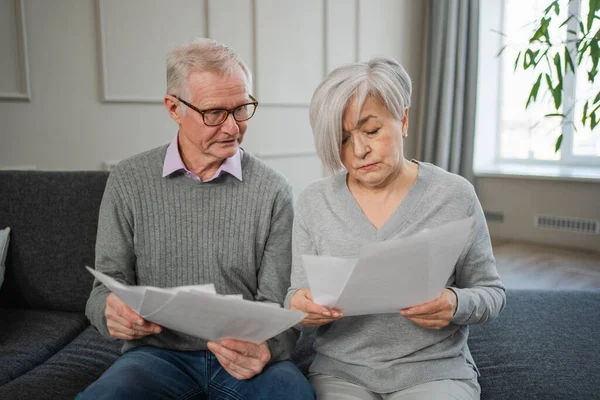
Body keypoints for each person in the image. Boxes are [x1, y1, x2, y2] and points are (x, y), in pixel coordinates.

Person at [79, 38, 315, 400]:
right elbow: (103, 291)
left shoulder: (274, 191)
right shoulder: (128, 180)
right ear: (174, 108)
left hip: (244, 358)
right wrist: (111, 313)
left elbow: (279, 304)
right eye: (215, 113)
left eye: (242, 109)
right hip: (156, 355)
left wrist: (267, 349)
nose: (233, 127)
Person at [286, 57, 506, 400]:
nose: (359, 150)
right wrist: (302, 308)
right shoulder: (314, 201)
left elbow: (491, 293)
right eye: (343, 139)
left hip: (434, 370)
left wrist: (455, 302)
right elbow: (296, 295)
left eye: (371, 131)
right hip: (342, 374)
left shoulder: (454, 194)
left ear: (402, 119)